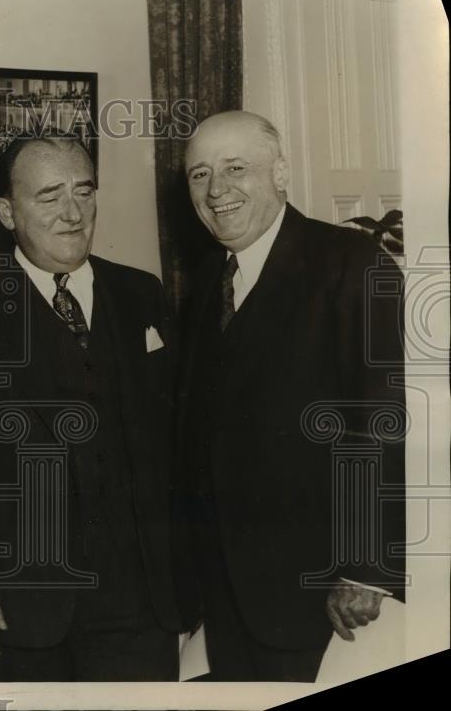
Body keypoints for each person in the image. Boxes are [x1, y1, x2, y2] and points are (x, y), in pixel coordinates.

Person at [176, 110, 406, 681]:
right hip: (225, 589)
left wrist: (365, 567)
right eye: (199, 175)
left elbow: (380, 421)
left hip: (321, 589)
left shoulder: (351, 263)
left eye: (236, 169)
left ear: (280, 173)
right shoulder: (207, 281)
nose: (217, 190)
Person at [0, 134, 185, 681]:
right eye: (49, 196)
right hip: (19, 610)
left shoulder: (141, 293)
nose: (72, 212)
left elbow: (175, 442)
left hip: (141, 605)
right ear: (7, 212)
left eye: (84, 190)